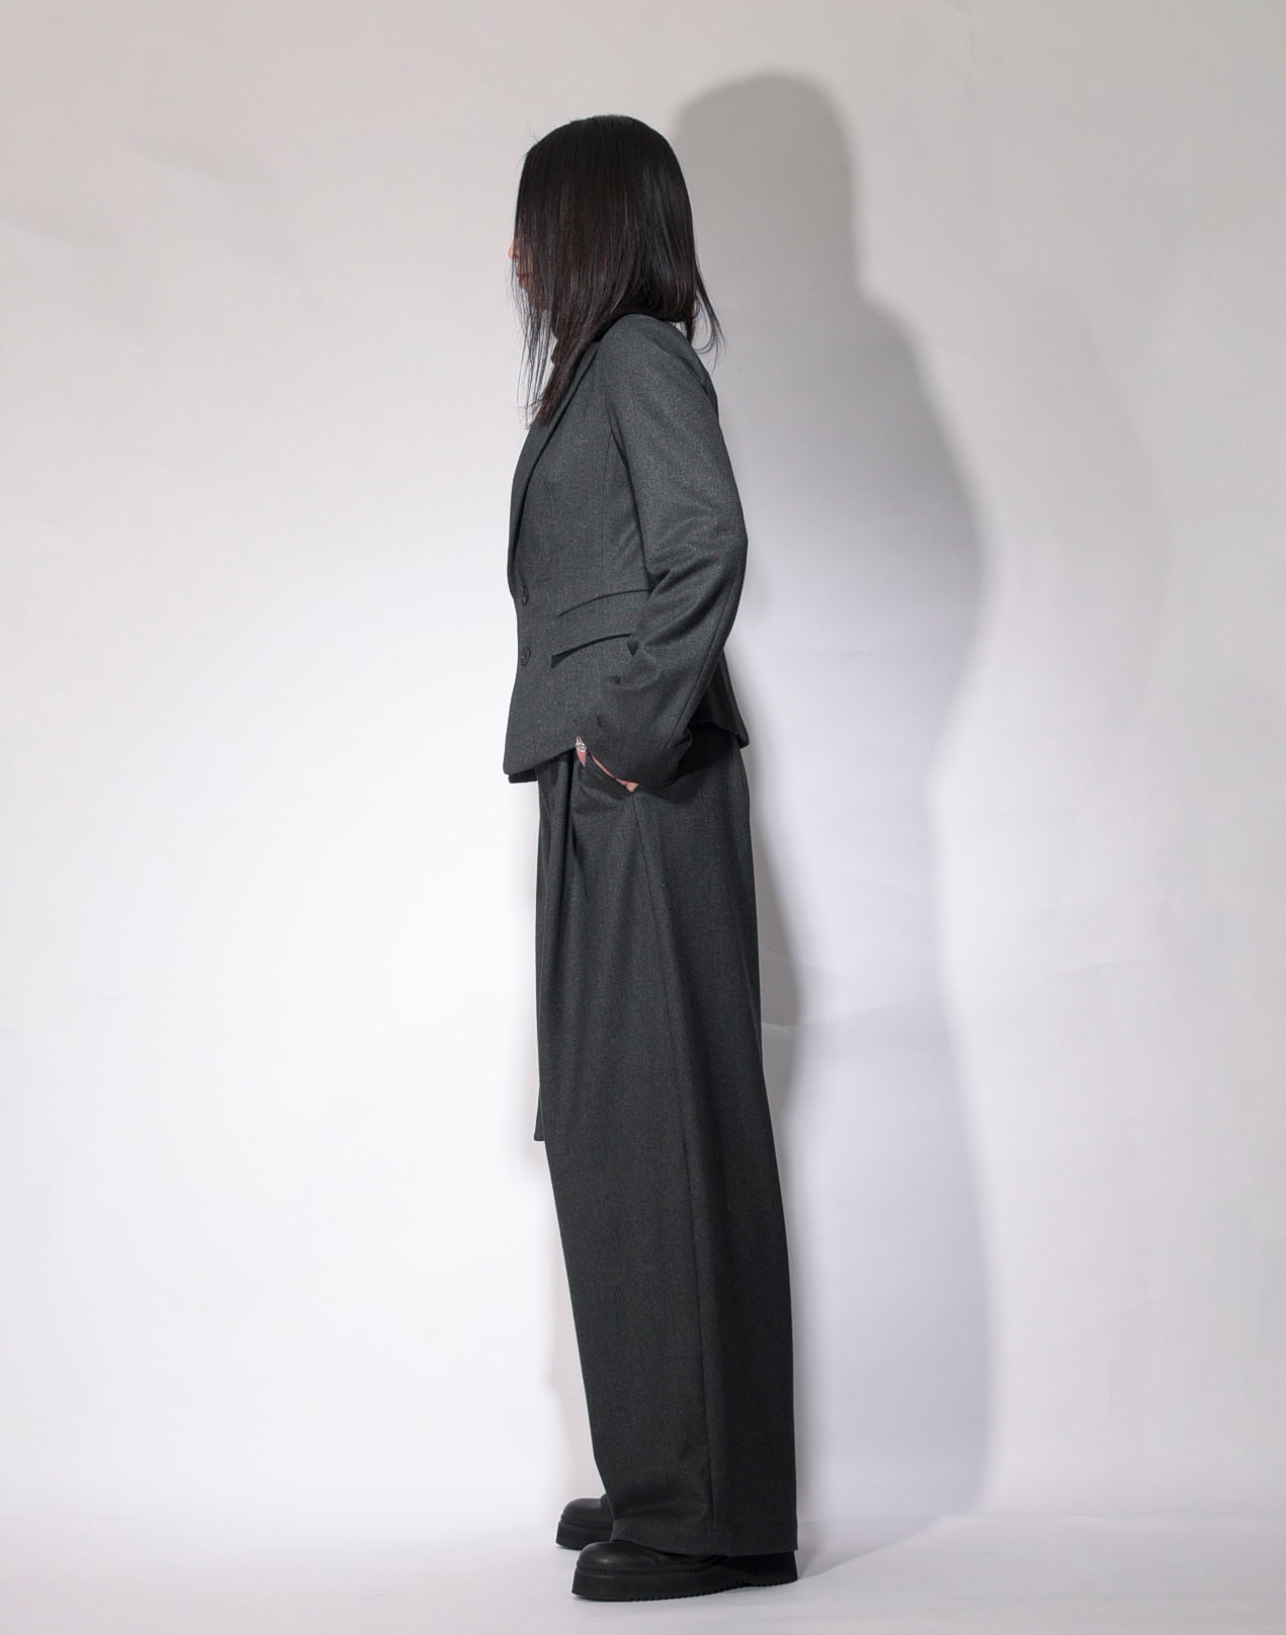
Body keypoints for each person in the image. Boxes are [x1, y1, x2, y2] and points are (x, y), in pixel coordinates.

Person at [503, 114, 798, 1605]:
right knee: (608, 1124)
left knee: (661, 1124)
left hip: (642, 785)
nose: (512, 254)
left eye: (532, 223)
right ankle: (664, 1467)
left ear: (588, 228)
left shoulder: (637, 359)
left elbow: (706, 543)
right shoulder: (598, 374)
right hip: (601, 783)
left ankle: (711, 1520)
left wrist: (622, 733)